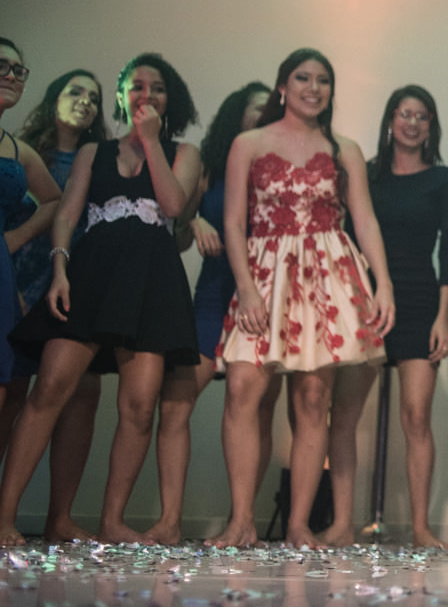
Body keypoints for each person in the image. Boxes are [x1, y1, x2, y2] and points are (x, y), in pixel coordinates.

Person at [0, 52, 200, 546]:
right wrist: (60, 269)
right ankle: (2, 518)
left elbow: (173, 207)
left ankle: (111, 519)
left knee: (140, 405)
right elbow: (65, 214)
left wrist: (151, 143)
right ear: (124, 93)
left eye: (158, 87)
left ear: (171, 100)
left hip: (153, 280)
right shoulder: (93, 153)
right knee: (49, 390)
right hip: (91, 273)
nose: (146, 94)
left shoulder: (184, 153)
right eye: (137, 85)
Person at [209, 48, 393, 550]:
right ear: (283, 86)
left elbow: (366, 220)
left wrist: (384, 282)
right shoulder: (249, 142)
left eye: (323, 81)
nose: (314, 87)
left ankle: (297, 524)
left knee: (314, 398)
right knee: (244, 387)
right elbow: (232, 221)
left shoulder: (344, 148)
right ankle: (241, 520)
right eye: (303, 78)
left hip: (327, 272)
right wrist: (246, 286)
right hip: (265, 270)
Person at [331, 84, 448, 550]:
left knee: (416, 416)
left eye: (422, 116)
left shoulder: (444, 180)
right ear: (390, 120)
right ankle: (342, 524)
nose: (412, 122)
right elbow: (345, 235)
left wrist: (443, 318)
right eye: (404, 114)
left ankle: (422, 529)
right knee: (343, 414)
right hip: (365, 301)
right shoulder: (365, 174)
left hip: (422, 303)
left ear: (431, 126)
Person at [145, 81, 275, 546]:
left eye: (269, 111)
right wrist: (194, 219)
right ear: (235, 115)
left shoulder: (281, 166)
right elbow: (177, 221)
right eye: (255, 110)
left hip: (265, 298)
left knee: (257, 408)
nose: (263, 117)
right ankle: (169, 520)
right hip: (215, 293)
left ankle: (241, 521)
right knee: (176, 401)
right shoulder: (213, 164)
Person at [3, 70, 108, 542]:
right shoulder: (23, 153)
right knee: (6, 396)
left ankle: (59, 517)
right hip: (20, 282)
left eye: (93, 97)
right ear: (53, 99)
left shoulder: (102, 161)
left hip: (76, 290)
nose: (84, 102)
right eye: (74, 91)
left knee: (83, 395)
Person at [0, 36, 61, 539]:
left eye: (20, 71)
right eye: (0, 65)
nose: (11, 76)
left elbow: (53, 202)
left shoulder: (18, 150)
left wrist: (13, 239)